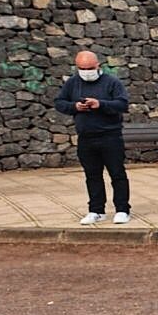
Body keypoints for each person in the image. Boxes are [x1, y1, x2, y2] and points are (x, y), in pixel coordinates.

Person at [53, 51, 131, 225]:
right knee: (92, 175)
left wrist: (100, 104)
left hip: (110, 136)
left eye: (89, 68)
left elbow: (122, 104)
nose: (86, 71)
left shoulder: (112, 82)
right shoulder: (72, 83)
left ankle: (122, 209)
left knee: (117, 174)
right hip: (86, 137)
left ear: (98, 66)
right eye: (82, 68)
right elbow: (59, 102)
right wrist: (75, 106)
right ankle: (96, 210)